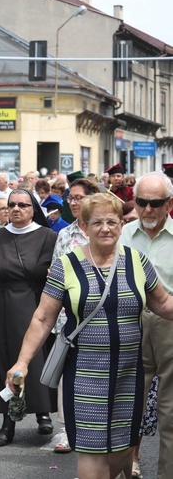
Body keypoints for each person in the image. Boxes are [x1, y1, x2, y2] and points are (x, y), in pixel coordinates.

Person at [7, 192, 173, 479]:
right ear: (83, 227)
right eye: (97, 223)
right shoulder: (66, 265)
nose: (105, 228)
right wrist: (22, 362)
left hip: (128, 373)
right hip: (85, 373)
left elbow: (163, 304)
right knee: (93, 450)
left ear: (122, 225)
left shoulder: (137, 262)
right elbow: (43, 317)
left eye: (112, 221)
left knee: (123, 449)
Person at [0, 189, 57, 447]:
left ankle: (43, 411)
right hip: (4, 307)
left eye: (23, 205)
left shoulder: (48, 236)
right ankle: (8, 424)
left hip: (37, 304)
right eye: (11, 205)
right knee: (5, 361)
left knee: (36, 361)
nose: (16, 209)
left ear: (32, 209)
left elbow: (61, 273)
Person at [119, 172, 173, 479]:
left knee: (171, 411)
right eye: (141, 202)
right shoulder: (123, 235)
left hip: (169, 321)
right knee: (126, 405)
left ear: (169, 204)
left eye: (155, 203)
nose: (148, 210)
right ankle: (123, 471)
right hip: (130, 321)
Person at [49, 177, 100, 453]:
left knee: (96, 374)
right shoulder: (65, 234)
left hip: (101, 315)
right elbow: (56, 273)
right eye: (71, 198)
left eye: (79, 197)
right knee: (68, 374)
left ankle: (97, 426)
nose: (74, 202)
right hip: (68, 317)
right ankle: (67, 430)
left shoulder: (105, 230)